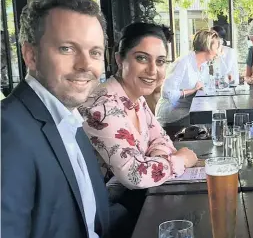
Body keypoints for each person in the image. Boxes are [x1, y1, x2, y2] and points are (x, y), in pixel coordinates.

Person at [1, 0, 121, 238]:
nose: (85, 65)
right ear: (31, 55)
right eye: (66, 48)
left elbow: (84, 221)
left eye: (95, 52)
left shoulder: (66, 118)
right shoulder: (9, 133)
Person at [79, 22, 198, 192]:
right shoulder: (102, 105)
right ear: (120, 60)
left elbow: (161, 139)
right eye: (142, 58)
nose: (152, 70)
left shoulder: (135, 99)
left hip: (135, 199)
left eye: (160, 61)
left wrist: (158, 158)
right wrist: (181, 160)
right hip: (107, 210)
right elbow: (135, 174)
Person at [155, 29, 220, 125]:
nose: (218, 52)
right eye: (216, 47)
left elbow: (202, 86)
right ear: (207, 47)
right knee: (211, 119)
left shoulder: (204, 65)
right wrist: (192, 90)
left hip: (189, 108)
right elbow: (167, 93)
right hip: (171, 113)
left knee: (216, 114)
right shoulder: (183, 63)